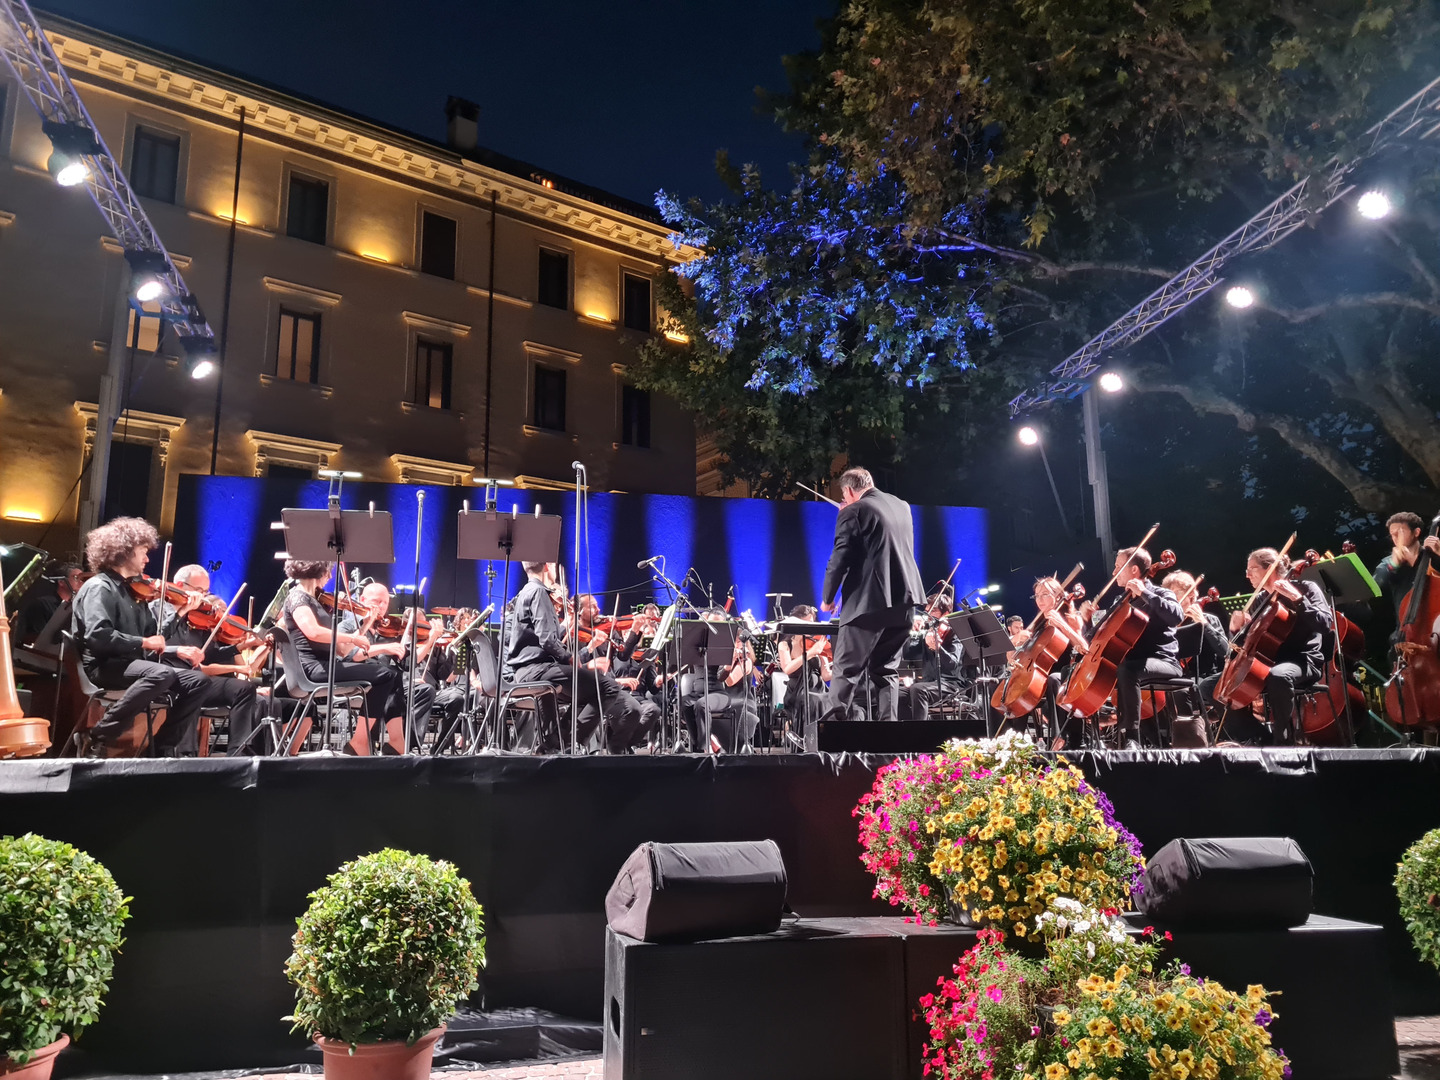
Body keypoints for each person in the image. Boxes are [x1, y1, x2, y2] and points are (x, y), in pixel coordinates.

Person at [69, 517, 210, 757]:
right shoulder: (99, 588)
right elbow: (98, 636)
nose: (146, 559)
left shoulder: (134, 592)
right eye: (143, 552)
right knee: (161, 673)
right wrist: (144, 643)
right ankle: (98, 735)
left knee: (198, 681)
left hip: (132, 665)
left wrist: (181, 612)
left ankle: (160, 750)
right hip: (104, 666)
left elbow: (154, 637)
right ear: (123, 552)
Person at [819, 467, 925, 722]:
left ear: (848, 490)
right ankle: (888, 735)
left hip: (869, 602)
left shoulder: (854, 510)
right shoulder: (902, 506)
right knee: (887, 670)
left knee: (846, 669)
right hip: (904, 601)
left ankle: (835, 735)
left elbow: (840, 557)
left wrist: (827, 598)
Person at [1210, 547, 1333, 746]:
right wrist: (1235, 630)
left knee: (1278, 675)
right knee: (1210, 687)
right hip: (1266, 662)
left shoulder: (1306, 588)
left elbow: (1324, 624)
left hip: (1302, 660)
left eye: (1253, 568)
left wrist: (1298, 599)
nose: (1247, 574)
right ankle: (1259, 736)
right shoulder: (1261, 599)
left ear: (1270, 569)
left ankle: (1283, 741)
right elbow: (1248, 643)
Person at [277, 559, 400, 752]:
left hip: (325, 666)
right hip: (314, 669)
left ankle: (364, 742)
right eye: (328, 571)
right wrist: (351, 637)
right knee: (386, 675)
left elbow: (343, 650)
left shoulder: (314, 600)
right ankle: (360, 742)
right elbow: (313, 632)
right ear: (319, 570)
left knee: (388, 674)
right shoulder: (298, 597)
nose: (330, 576)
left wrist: (366, 623)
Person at [503, 562, 621, 752]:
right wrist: (570, 658)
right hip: (539, 670)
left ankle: (554, 744)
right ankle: (567, 742)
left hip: (527, 671)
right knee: (608, 687)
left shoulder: (525, 592)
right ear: (548, 567)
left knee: (582, 694)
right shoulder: (539, 592)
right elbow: (548, 640)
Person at [1078, 547, 1183, 749]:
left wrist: (1144, 593)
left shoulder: (1160, 593)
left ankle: (1131, 737)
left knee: (1127, 670)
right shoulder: (1121, 601)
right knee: (1106, 671)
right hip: (1131, 665)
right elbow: (1095, 639)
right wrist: (1089, 621)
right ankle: (1084, 739)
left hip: (1163, 662)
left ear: (1134, 570)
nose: (1114, 572)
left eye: (1118, 567)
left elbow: (1176, 616)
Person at [157, 564, 265, 756]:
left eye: (206, 592)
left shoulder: (197, 618)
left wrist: (241, 646)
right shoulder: (158, 609)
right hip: (168, 675)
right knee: (196, 684)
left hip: (197, 678)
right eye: (200, 591)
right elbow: (154, 645)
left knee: (244, 689)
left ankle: (238, 753)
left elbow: (212, 653)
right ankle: (185, 754)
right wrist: (181, 612)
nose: (204, 597)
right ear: (181, 585)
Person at [351, 582, 438, 752]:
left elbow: (409, 661)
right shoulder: (350, 625)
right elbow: (351, 655)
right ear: (362, 599)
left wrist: (430, 639)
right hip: (361, 681)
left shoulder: (390, 629)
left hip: (392, 683)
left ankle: (407, 743)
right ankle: (371, 742)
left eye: (384, 602)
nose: (381, 606)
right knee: (387, 677)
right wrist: (383, 646)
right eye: (376, 601)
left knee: (425, 690)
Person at [900, 594, 962, 722]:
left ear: (945, 613)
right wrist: (908, 633)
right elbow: (908, 654)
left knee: (918, 690)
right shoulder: (927, 632)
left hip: (950, 683)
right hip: (928, 682)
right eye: (927, 612)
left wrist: (937, 648)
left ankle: (921, 734)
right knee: (896, 693)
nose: (928, 616)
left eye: (933, 611)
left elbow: (952, 664)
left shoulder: (955, 632)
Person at [1374, 512, 1440, 633]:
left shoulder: (1432, 555)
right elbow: (1376, 586)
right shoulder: (1388, 562)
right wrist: (1393, 565)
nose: (1395, 538)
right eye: (1392, 535)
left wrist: (1438, 555)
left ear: (1416, 532)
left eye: (1400, 532)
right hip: (1405, 632)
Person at [775, 603, 833, 733]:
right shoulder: (785, 644)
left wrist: (842, 668)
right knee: (812, 701)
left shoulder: (816, 641)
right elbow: (787, 668)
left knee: (833, 699)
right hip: (797, 690)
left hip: (818, 687)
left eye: (811, 624)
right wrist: (811, 653)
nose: (809, 628)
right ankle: (807, 740)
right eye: (805, 623)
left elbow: (825, 675)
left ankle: (826, 742)